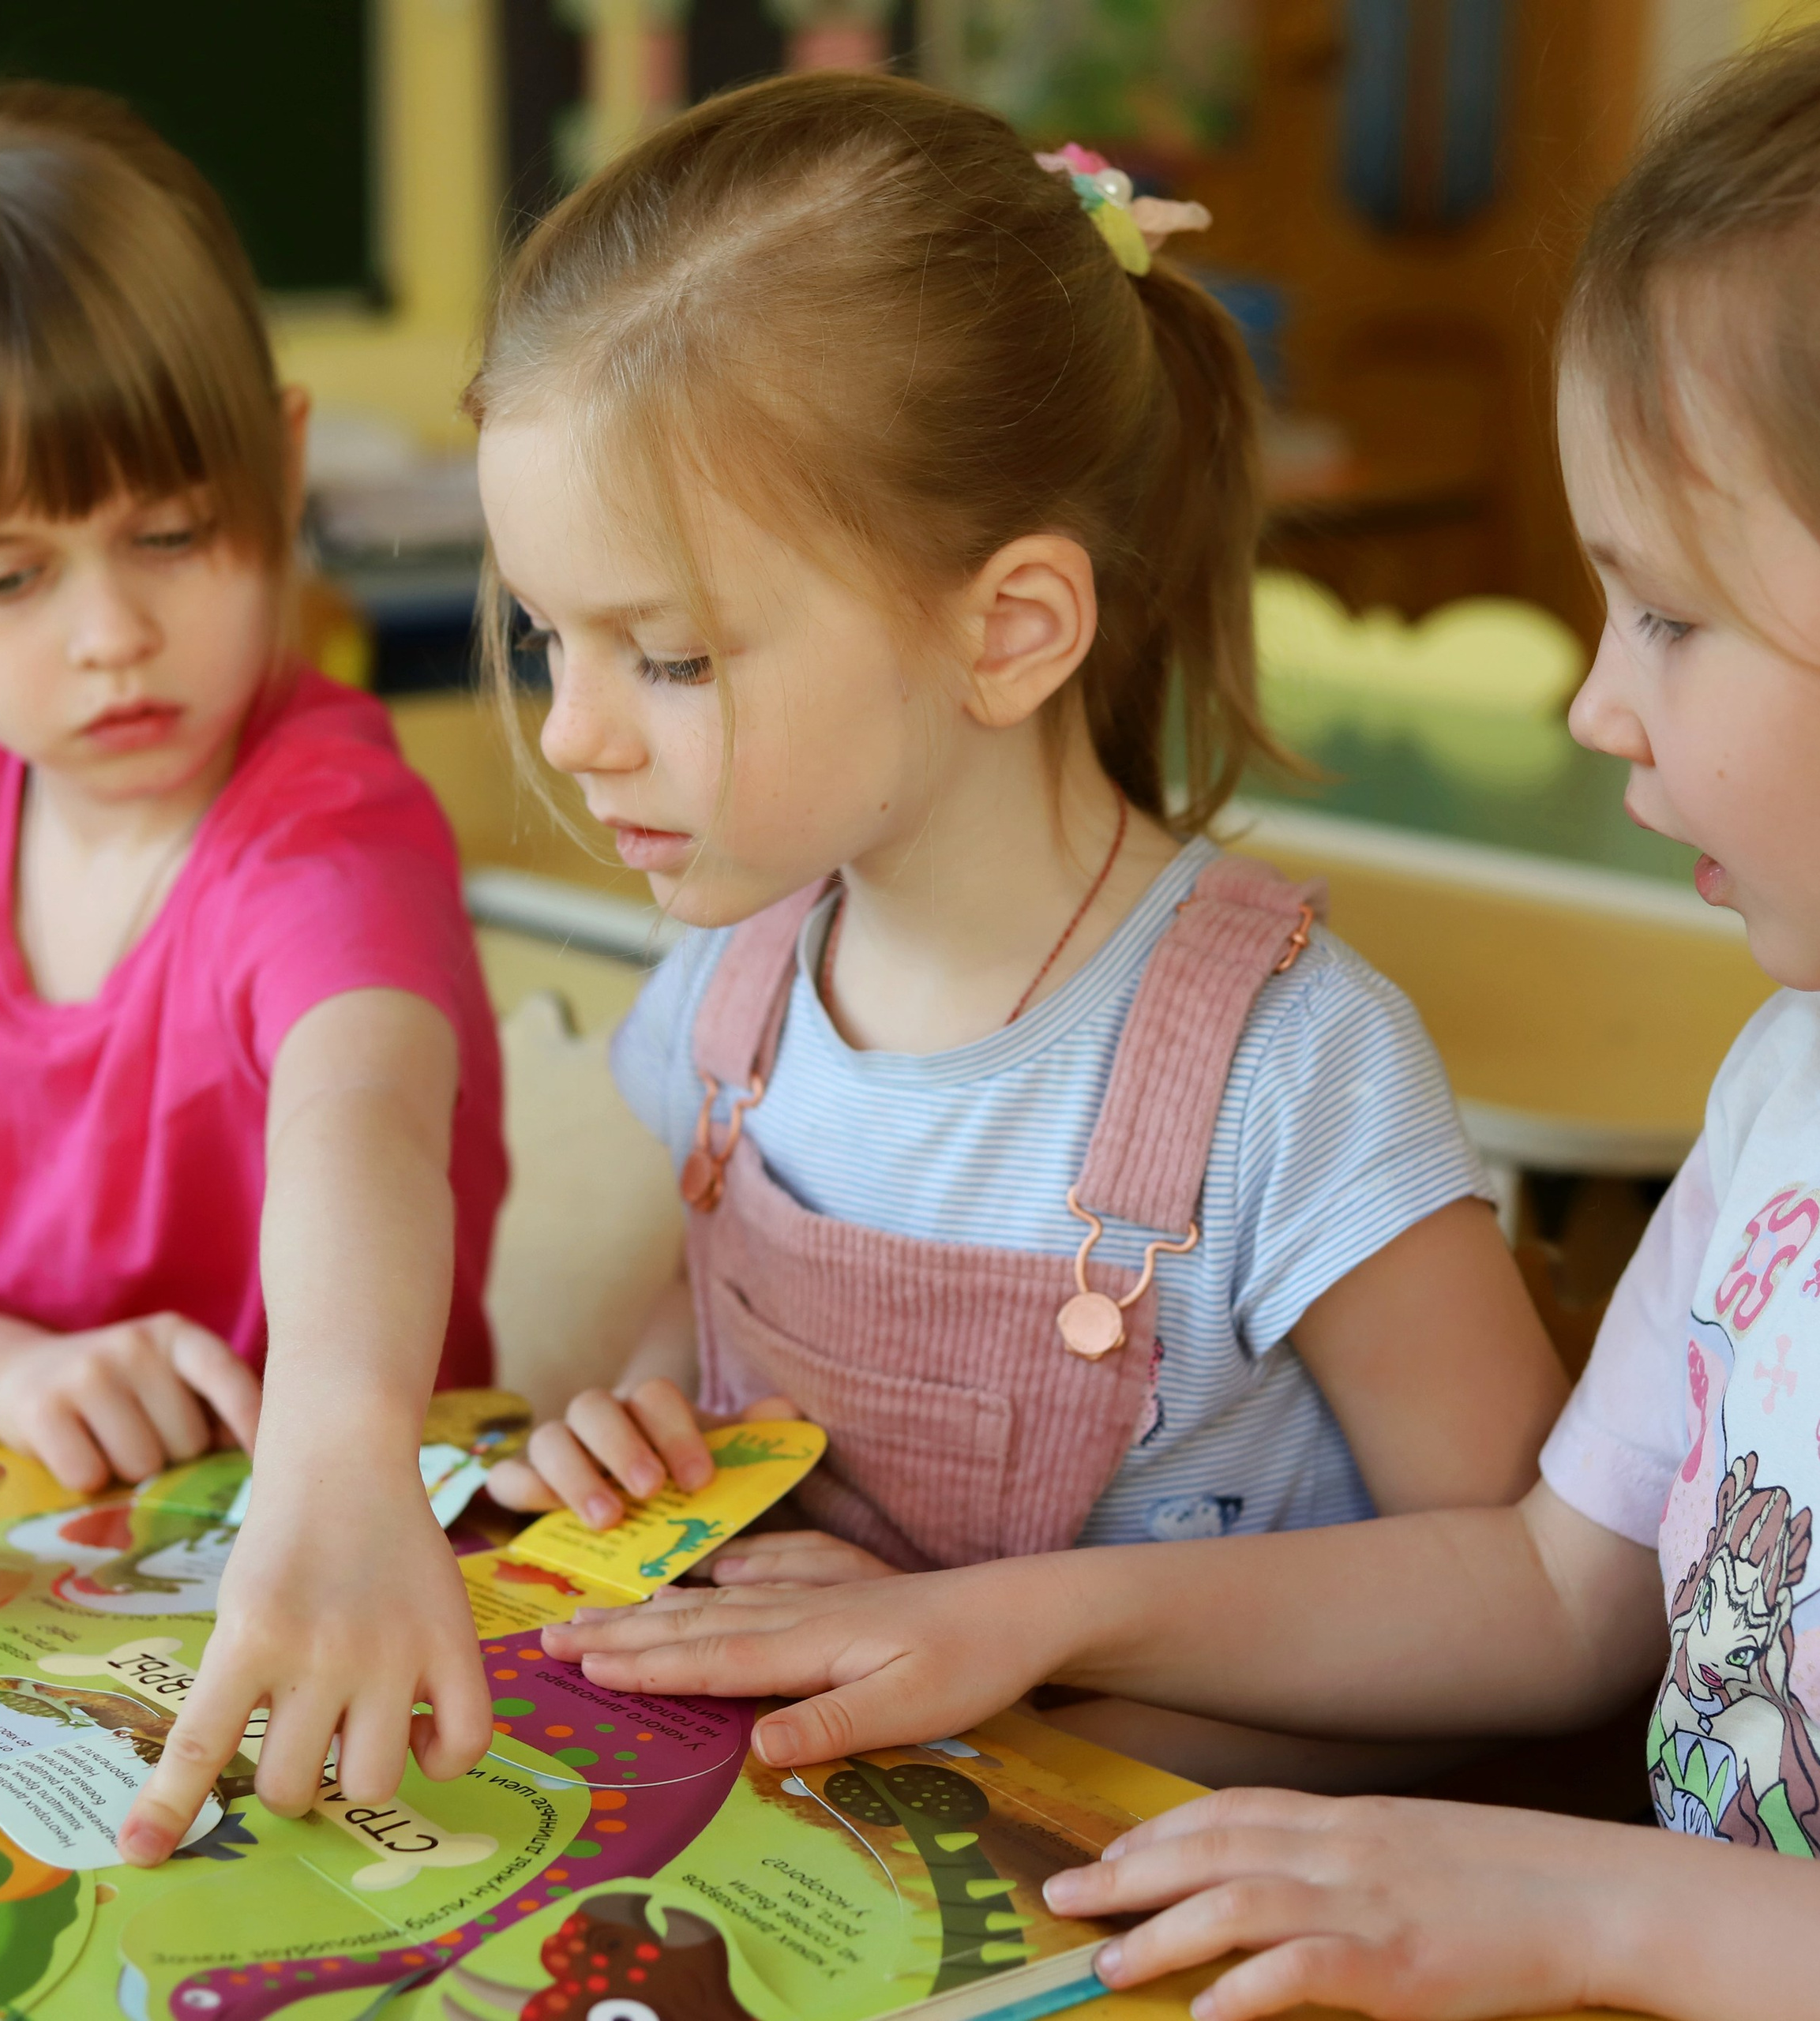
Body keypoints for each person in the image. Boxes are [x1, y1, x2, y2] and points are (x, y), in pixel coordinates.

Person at [547, 34, 1820, 2019]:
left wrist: (1586, 1906)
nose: (1595, 699)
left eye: (1663, 614)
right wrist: (1002, 1621)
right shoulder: (1776, 1091)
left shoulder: (1288, 1057)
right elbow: (1566, 1591)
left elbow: (1514, 1605)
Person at [471, 69, 1565, 1779]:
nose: (568, 730)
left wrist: (1044, 1681)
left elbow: (1534, 1616)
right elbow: (694, 1349)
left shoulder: (1291, 1072)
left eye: (667, 655)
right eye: (545, 636)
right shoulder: (725, 994)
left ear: (1010, 630)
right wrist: (641, 1432)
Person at [0, 86, 503, 1864]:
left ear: (278, 465)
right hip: (34, 1579)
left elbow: (363, 1114)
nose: (109, 632)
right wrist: (7, 1374)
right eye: (9, 574)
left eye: (171, 534)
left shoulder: (327, 828)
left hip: (359, 1571)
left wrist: (340, 1440)